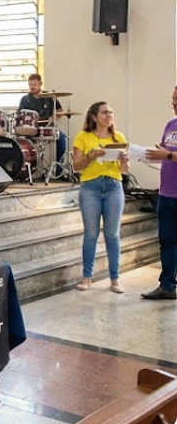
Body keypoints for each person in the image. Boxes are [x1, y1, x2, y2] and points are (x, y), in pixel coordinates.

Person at [72, 102, 129, 293]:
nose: (109, 115)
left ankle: (115, 279)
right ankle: (87, 277)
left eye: (111, 112)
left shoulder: (118, 137)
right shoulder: (83, 137)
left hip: (113, 187)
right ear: (94, 117)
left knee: (112, 235)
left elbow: (124, 171)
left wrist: (125, 162)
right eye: (104, 112)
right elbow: (76, 166)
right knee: (91, 234)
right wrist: (91, 156)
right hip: (90, 188)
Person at [142, 87, 177, 300]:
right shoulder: (171, 124)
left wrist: (168, 154)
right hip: (166, 194)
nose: (173, 103)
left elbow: (170, 154)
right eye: (173, 98)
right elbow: (166, 152)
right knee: (167, 241)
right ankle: (167, 286)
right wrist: (155, 153)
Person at [19, 73, 68, 165]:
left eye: (34, 84)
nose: (32, 87)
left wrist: (53, 117)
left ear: (40, 84)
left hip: (48, 127)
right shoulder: (25, 99)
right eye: (30, 84)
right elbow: (20, 114)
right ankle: (27, 167)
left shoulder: (49, 96)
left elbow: (60, 111)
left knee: (62, 139)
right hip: (31, 129)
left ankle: (59, 169)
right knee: (20, 141)